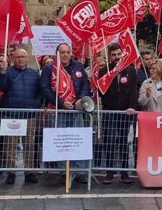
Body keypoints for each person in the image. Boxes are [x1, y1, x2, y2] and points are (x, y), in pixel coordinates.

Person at [40, 43, 91, 183]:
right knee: (61, 142)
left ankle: (80, 171)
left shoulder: (78, 66)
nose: (65, 54)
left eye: (68, 52)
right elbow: (45, 89)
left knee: (78, 140)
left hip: (76, 109)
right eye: (62, 52)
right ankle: (64, 172)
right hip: (58, 109)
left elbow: (85, 84)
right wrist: (61, 103)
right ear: (57, 53)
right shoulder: (49, 68)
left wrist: (80, 100)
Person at [0, 48, 42, 184]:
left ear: (27, 59)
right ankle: (11, 171)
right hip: (11, 113)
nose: (20, 59)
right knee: (10, 144)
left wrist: (36, 105)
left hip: (29, 114)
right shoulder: (7, 72)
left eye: (23, 57)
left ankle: (29, 171)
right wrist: (3, 72)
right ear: (12, 59)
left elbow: (40, 92)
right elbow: (1, 87)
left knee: (29, 144)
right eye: (17, 57)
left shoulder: (34, 74)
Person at [97, 43, 138, 184]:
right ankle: (109, 172)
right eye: (113, 55)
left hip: (125, 112)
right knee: (108, 140)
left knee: (123, 141)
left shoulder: (130, 71)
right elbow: (100, 92)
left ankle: (124, 172)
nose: (116, 57)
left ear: (123, 54)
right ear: (109, 56)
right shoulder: (104, 71)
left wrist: (132, 107)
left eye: (118, 54)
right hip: (109, 111)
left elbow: (133, 90)